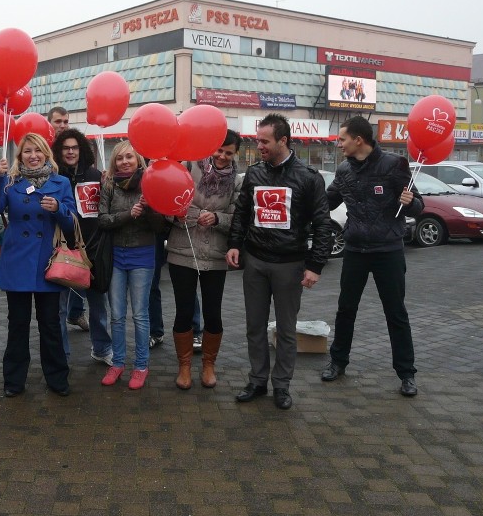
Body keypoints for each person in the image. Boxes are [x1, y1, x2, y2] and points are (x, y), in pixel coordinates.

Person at [227, 113, 333, 410]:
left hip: (290, 265)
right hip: (256, 262)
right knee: (254, 326)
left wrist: (315, 265)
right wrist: (235, 244)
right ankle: (257, 381)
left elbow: (323, 225)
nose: (258, 145)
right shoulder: (254, 174)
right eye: (257, 139)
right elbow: (242, 213)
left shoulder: (309, 178)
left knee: (286, 330)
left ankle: (282, 386)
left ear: (283, 141)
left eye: (264, 141)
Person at [322, 115, 424, 396]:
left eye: (342, 139)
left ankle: (406, 373)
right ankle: (338, 362)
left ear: (358, 140)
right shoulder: (343, 170)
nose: (338, 143)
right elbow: (328, 201)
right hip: (355, 250)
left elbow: (418, 205)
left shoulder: (394, 165)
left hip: (387, 251)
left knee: (396, 313)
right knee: (346, 309)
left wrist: (412, 201)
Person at [0, 132, 76, 397]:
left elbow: (72, 221)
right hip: (18, 262)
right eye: (27, 151)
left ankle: (57, 379)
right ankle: (14, 381)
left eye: (37, 151)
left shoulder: (61, 183)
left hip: (47, 263)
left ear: (46, 153)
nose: (33, 156)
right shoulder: (10, 181)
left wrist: (58, 207)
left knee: (49, 324)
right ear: (19, 156)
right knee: (18, 324)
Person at [168, 129, 243, 389]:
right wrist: (195, 213)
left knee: (213, 313)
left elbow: (239, 217)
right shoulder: (189, 167)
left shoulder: (237, 181)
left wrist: (218, 218)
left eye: (228, 153)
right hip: (182, 251)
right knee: (184, 311)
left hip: (215, 255)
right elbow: (170, 202)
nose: (222, 156)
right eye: (219, 150)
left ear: (235, 155)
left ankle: (209, 365)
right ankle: (184, 366)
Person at [98, 141, 165, 390]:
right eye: (119, 158)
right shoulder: (109, 185)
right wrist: (130, 214)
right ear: (114, 162)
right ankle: (117, 363)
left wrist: (148, 210)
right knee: (116, 315)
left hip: (142, 254)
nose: (124, 161)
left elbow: (161, 227)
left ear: (138, 159)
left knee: (139, 314)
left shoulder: (150, 183)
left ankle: (140, 366)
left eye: (129, 157)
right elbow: (103, 220)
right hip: (115, 255)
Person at [51, 129, 113, 366]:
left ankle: (102, 349)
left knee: (99, 306)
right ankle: (62, 355)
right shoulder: (53, 177)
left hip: (93, 249)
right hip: (61, 250)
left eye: (74, 147)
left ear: (82, 150)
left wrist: (109, 184)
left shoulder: (95, 175)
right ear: (59, 151)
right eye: (66, 148)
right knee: (59, 309)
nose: (70, 152)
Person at [47, 105, 87, 331]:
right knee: (62, 272)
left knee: (78, 269)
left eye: (65, 121)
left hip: (79, 220)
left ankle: (76, 312)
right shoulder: (47, 151)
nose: (62, 125)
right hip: (57, 222)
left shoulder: (75, 145)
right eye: (58, 121)